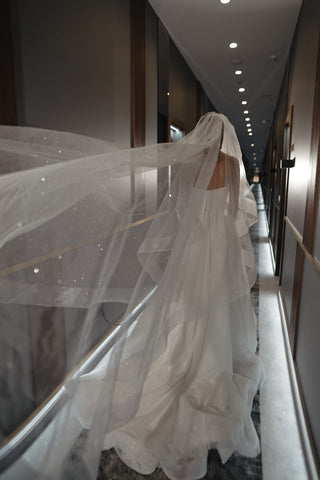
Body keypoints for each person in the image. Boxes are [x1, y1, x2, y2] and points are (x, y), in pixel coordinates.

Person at [0, 112, 264, 480]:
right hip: (216, 245)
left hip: (192, 245)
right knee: (212, 308)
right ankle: (208, 362)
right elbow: (234, 209)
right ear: (226, 137)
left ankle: (178, 358)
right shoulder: (230, 163)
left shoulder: (191, 163)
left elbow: (180, 206)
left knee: (184, 303)